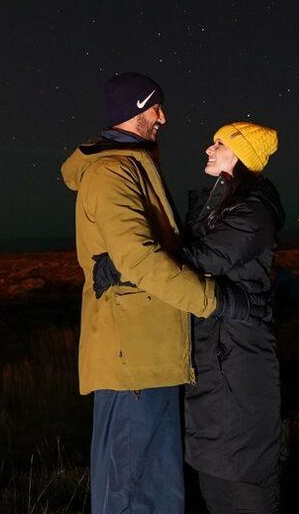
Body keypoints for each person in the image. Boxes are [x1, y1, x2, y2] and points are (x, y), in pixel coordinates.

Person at [62, 72, 257, 514]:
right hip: (134, 354)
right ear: (134, 111)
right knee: (136, 491)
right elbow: (139, 259)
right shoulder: (113, 171)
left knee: (152, 487)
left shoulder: (132, 165)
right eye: (155, 108)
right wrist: (216, 300)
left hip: (150, 351)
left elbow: (141, 253)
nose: (163, 118)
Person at [183, 122, 285, 514]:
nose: (208, 149)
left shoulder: (253, 208)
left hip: (240, 359)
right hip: (214, 357)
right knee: (215, 479)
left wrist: (128, 265)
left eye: (219, 144)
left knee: (245, 481)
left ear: (241, 154)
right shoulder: (220, 202)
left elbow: (205, 259)